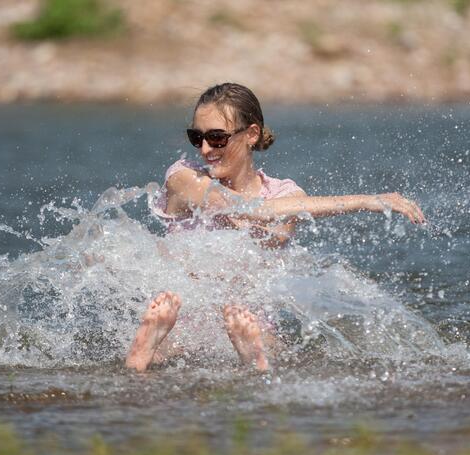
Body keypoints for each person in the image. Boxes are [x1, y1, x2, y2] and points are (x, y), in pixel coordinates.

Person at [126, 83, 425, 373]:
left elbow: (273, 218)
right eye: (196, 137)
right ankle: (146, 349)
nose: (204, 149)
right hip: (179, 315)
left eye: (217, 138)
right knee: (172, 335)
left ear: (251, 134)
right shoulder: (183, 178)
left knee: (264, 337)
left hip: (244, 318)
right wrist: (368, 201)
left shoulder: (285, 194)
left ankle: (252, 357)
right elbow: (246, 209)